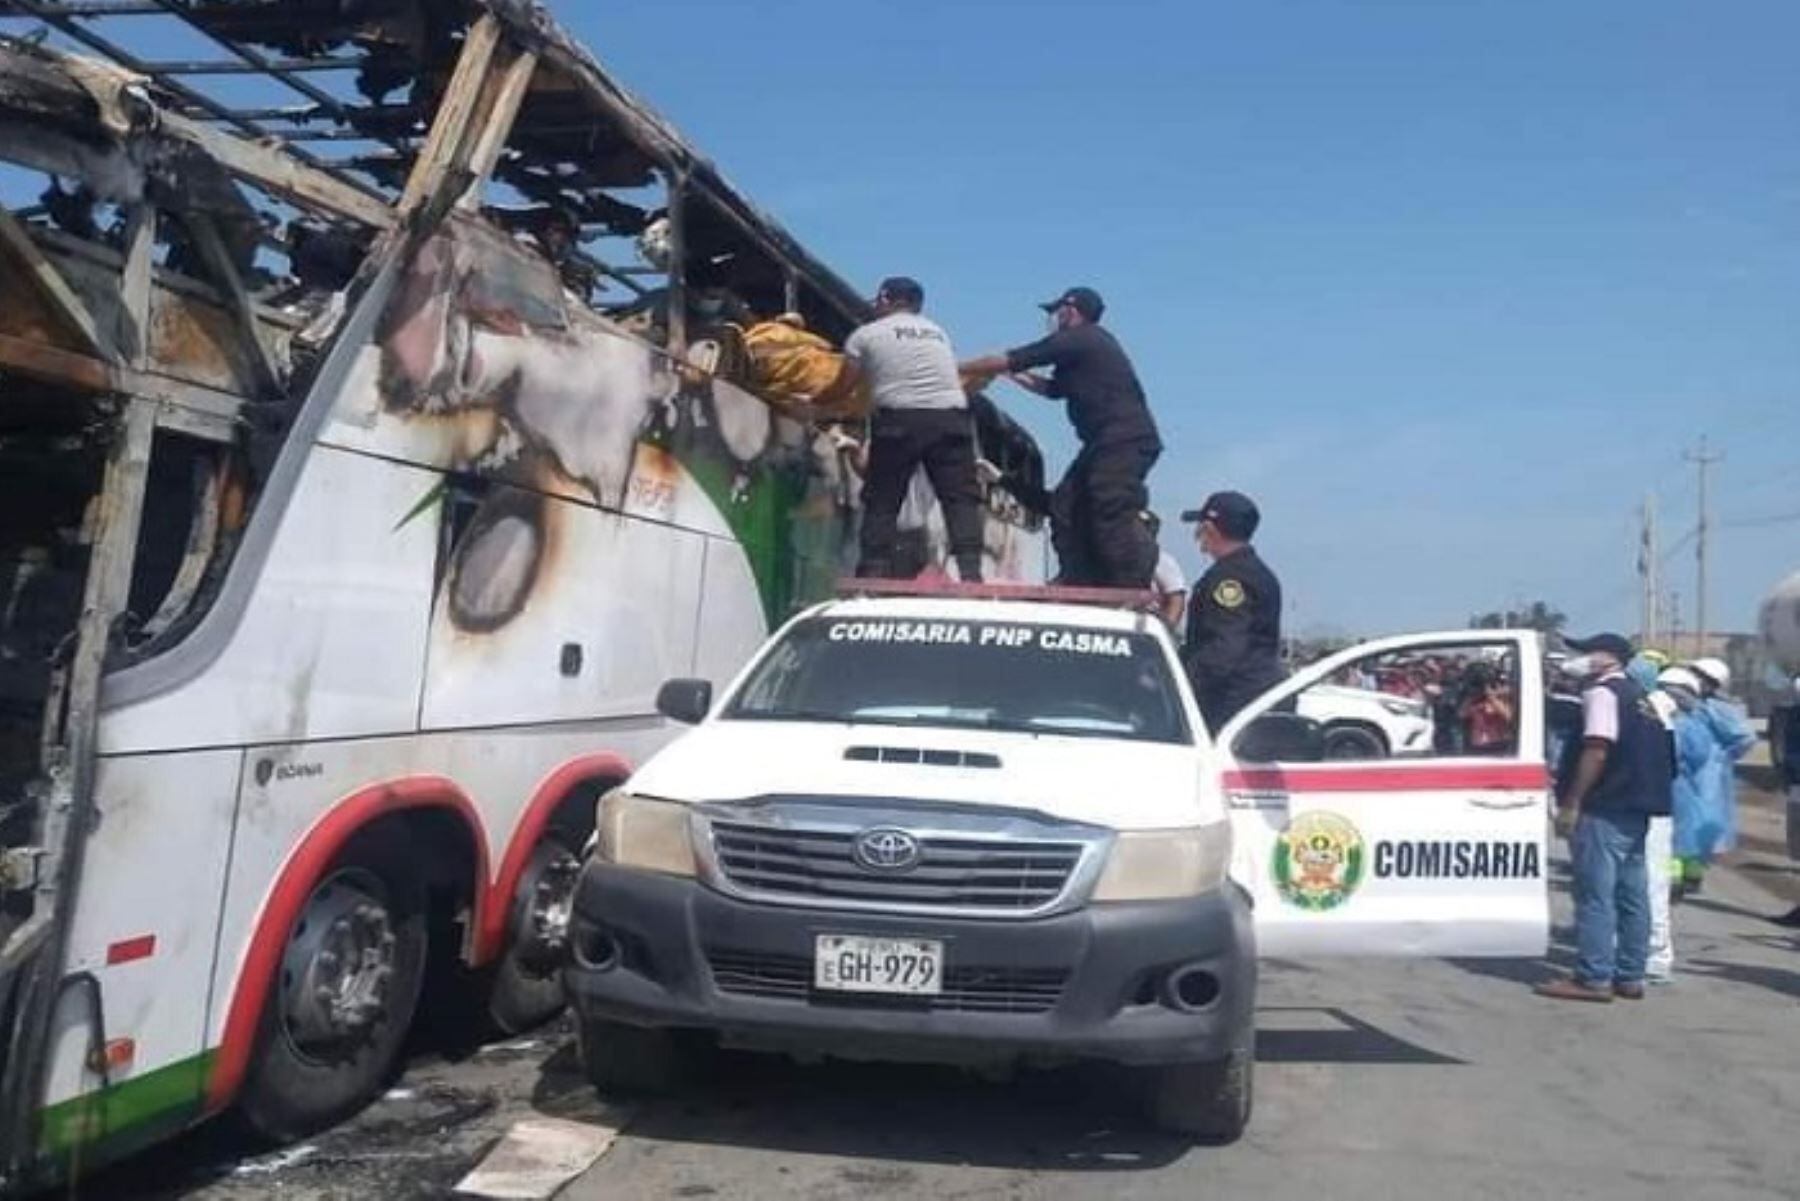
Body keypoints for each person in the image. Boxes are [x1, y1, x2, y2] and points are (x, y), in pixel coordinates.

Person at [959, 287, 1160, 587]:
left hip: (1122, 440)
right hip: (1103, 442)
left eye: (1056, 312)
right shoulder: (1085, 349)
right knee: (1064, 504)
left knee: (1108, 505)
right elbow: (1053, 390)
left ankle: (1127, 584)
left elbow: (1015, 357)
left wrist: (954, 367)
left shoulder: (1082, 338)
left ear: (1071, 309)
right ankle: (1076, 573)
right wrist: (1008, 375)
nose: (1053, 319)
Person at [1537, 633, 1673, 1003]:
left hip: (1605, 804)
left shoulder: (1602, 693)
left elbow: (1597, 749)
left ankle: (1593, 976)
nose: (1576, 658)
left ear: (1607, 658)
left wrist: (1573, 802)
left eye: (1584, 652)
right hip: (1637, 805)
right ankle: (1630, 975)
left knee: (1595, 894)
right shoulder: (1640, 697)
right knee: (1632, 894)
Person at [844, 277, 984, 582]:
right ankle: (972, 574)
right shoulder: (938, 333)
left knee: (883, 497)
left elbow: (845, 383)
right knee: (960, 499)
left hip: (900, 421)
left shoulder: (865, 334)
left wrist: (820, 401)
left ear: (884, 299)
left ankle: (872, 571)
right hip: (951, 419)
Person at [1179, 491, 1284, 732]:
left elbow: (1225, 649)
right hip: (1250, 701)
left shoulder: (1229, 579)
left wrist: (1181, 687)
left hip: (1230, 707)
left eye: (1200, 528)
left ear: (1210, 529)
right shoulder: (1255, 572)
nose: (1197, 536)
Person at [1676, 657, 1756, 896]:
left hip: (1706, 775)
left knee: (1698, 824)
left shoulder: (1717, 708)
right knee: (1682, 821)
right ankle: (1682, 874)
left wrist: (1722, 756)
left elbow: (1744, 737)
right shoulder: (1691, 703)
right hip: (1689, 771)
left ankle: (1690, 875)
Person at [1146, 513, 1188, 628]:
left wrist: (1167, 630)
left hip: (1149, 627)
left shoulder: (1162, 561)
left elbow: (1176, 598)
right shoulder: (1117, 558)